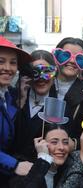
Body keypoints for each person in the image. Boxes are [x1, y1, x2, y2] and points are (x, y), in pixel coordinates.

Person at [14, 50, 58, 162]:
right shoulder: (13, 99)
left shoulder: (58, 106)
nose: (41, 78)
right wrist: (19, 102)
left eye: (47, 71)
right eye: (35, 72)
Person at [0, 36, 33, 187]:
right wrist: (14, 165)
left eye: (13, 62)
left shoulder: (7, 95)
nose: (8, 67)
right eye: (1, 61)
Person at [52, 37, 83, 149]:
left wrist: (75, 144)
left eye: (79, 59)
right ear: (57, 57)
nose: (71, 61)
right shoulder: (43, 84)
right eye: (66, 55)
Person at [9, 123, 71, 188]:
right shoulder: (23, 169)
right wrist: (43, 159)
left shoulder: (67, 172)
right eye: (54, 142)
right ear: (39, 144)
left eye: (65, 142)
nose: (61, 147)